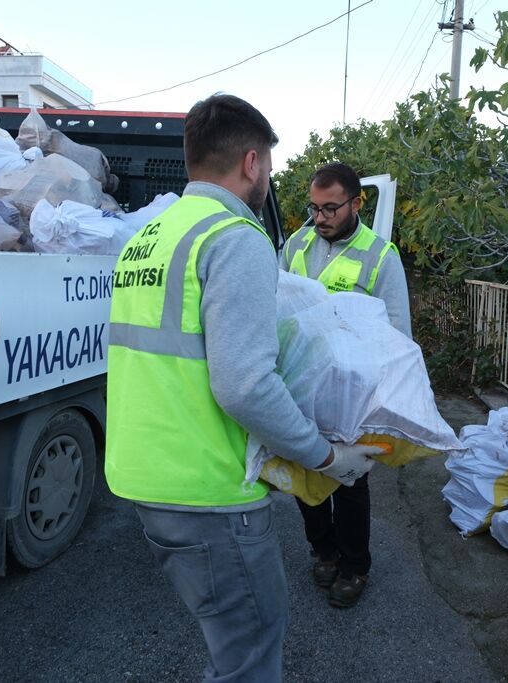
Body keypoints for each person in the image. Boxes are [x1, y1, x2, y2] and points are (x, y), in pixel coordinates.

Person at [104, 95, 384, 682]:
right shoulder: (235, 236)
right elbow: (245, 385)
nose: (269, 181)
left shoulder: (150, 234)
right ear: (252, 163)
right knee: (250, 656)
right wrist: (326, 458)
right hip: (206, 487)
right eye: (271, 169)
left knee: (232, 646)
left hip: (144, 475)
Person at [279, 162, 412, 608]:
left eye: (330, 208)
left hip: (353, 393)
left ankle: (355, 566)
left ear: (357, 203)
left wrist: (387, 398)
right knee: (305, 471)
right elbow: (277, 307)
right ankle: (324, 550)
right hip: (302, 385)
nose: (319, 218)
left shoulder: (380, 255)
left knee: (350, 480)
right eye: (313, 208)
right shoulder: (295, 245)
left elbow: (398, 333)